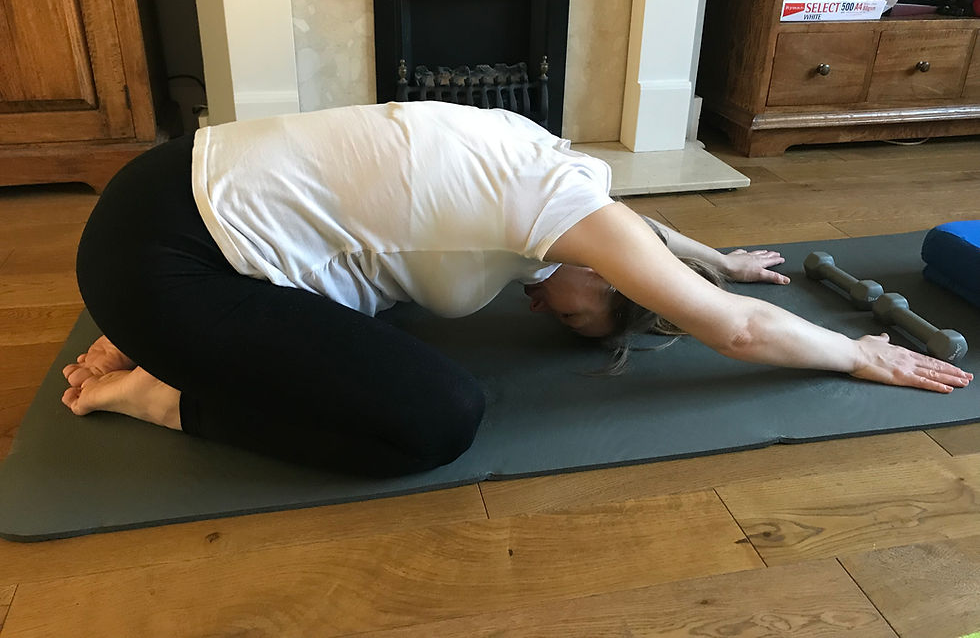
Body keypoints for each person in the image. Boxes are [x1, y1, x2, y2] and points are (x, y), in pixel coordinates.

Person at [61, 102, 973, 476]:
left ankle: (163, 337)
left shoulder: (546, 158)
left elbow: (641, 231)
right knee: (438, 418)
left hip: (165, 185)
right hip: (163, 261)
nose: (542, 309)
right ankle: (163, 392)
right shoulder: (573, 221)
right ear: (606, 271)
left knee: (395, 294)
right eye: (576, 315)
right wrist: (855, 351)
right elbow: (733, 329)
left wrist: (720, 256)